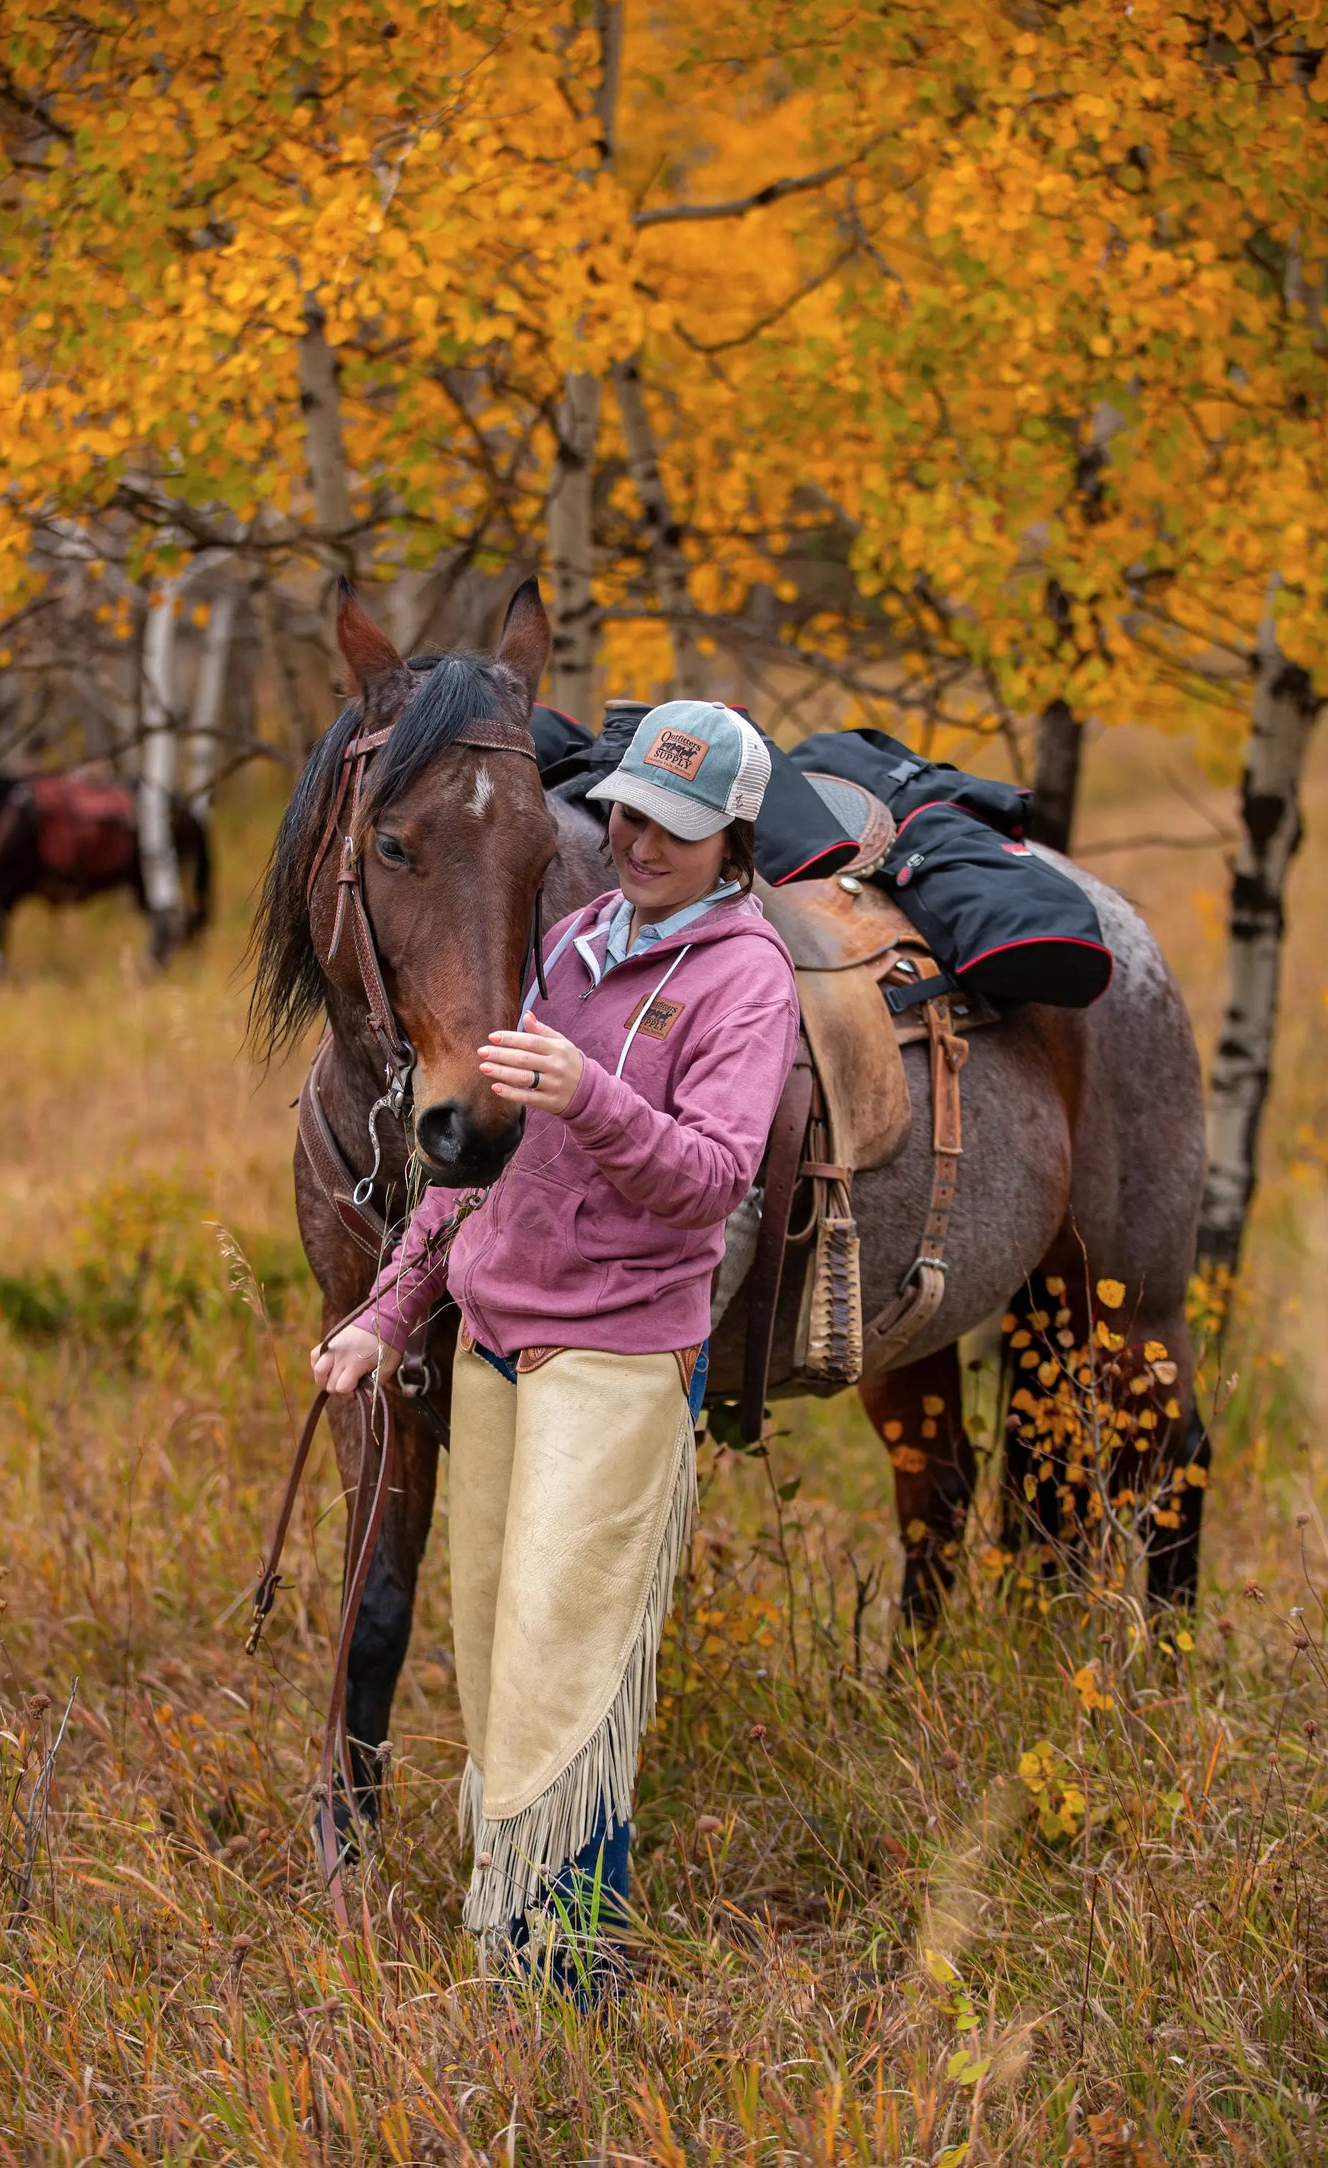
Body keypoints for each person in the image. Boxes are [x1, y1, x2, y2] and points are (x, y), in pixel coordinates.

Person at [312, 698, 800, 1985]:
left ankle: (565, 1973)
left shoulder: (743, 976)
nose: (639, 841)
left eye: (678, 829)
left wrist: (592, 1096)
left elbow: (707, 1179)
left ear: (732, 840)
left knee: (561, 1658)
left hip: (618, 1352)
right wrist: (383, 1311)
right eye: (631, 812)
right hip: (497, 1345)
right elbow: (472, 1174)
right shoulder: (578, 942)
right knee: (491, 1655)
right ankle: (516, 1938)